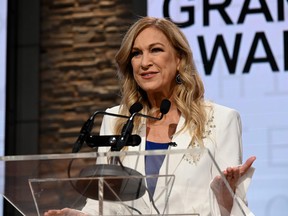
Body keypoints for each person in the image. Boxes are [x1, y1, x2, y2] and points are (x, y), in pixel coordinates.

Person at [44, 16, 256, 216]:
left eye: (155, 50)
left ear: (179, 59)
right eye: (136, 53)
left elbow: (236, 208)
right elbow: (104, 202)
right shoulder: (115, 119)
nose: (144, 62)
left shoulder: (221, 120)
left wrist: (225, 195)